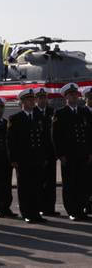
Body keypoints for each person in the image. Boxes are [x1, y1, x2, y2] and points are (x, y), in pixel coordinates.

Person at [8, 88, 54, 224]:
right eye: (28, 100)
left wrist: (45, 156)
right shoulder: (15, 119)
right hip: (23, 160)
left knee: (37, 186)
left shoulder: (40, 117)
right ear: (22, 102)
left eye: (32, 99)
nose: (31, 102)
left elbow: (45, 138)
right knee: (25, 188)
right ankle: (27, 213)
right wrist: (13, 159)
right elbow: (11, 141)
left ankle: (36, 213)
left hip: (38, 158)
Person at [52, 83, 92, 221]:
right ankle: (72, 210)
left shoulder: (84, 112)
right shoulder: (60, 114)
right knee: (70, 184)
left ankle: (81, 209)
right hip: (68, 156)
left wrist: (90, 152)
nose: (74, 97)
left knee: (83, 183)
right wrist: (60, 155)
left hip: (83, 154)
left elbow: (89, 134)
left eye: (75, 94)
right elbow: (56, 136)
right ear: (66, 97)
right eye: (71, 95)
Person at [34, 87, 59, 217]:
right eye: (40, 98)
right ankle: (40, 207)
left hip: (50, 153)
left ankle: (50, 207)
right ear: (36, 99)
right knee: (39, 182)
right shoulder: (33, 113)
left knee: (51, 182)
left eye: (44, 98)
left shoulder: (52, 112)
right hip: (38, 154)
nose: (43, 100)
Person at [82, 86, 92, 215]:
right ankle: (87, 205)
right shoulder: (81, 112)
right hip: (87, 152)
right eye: (90, 97)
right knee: (86, 181)